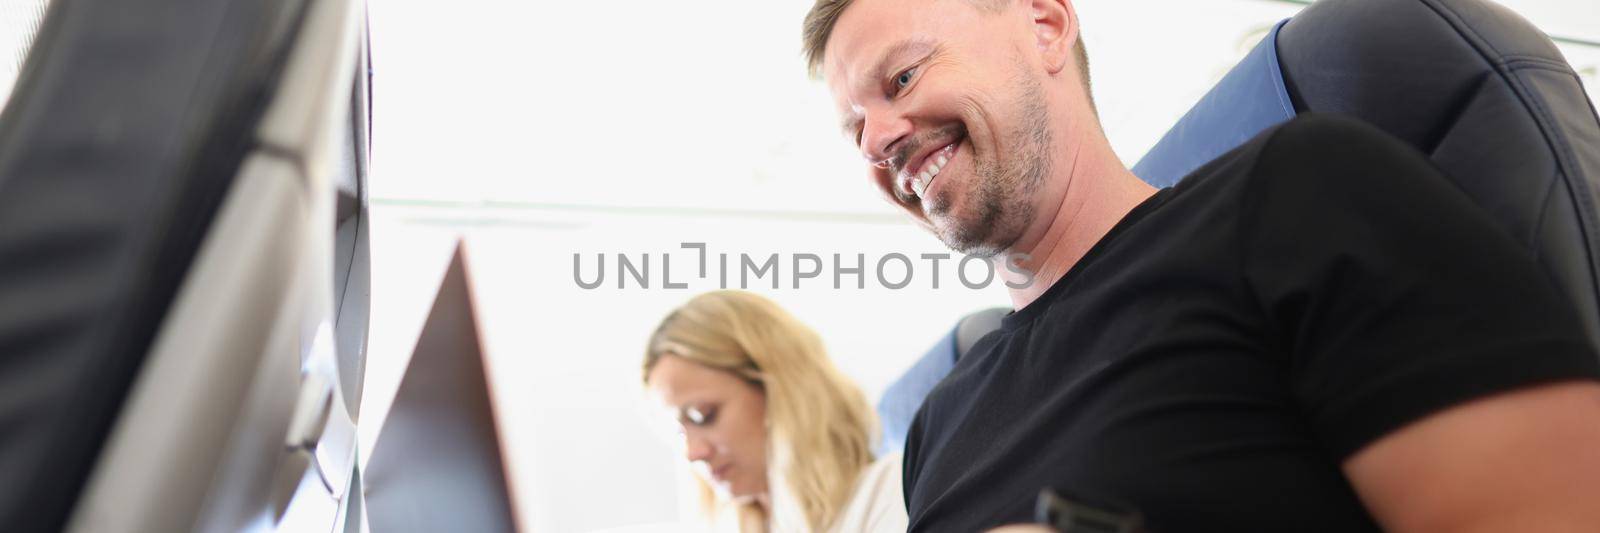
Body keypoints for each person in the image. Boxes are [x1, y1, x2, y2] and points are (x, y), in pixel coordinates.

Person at [801, 0, 1600, 531]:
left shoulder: (1299, 194)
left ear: (1044, 25)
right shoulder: (939, 425)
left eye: (902, 77)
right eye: (854, 131)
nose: (877, 142)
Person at [642, 290, 907, 533]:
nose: (693, 453)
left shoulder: (886, 492)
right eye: (677, 431)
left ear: (778, 392)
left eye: (703, 415)